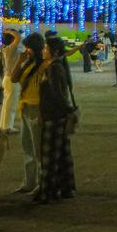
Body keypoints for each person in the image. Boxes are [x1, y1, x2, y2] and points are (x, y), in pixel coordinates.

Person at [35, 35, 78, 203]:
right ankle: (66, 187)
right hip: (59, 115)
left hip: (53, 116)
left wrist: (64, 109)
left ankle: (48, 190)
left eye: (46, 48)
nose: (43, 51)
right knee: (62, 154)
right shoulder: (58, 66)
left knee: (49, 155)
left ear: (55, 51)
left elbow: (57, 93)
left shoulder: (53, 68)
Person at [11, 32, 47, 194]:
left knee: (39, 148)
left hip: (37, 108)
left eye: (29, 47)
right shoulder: (28, 63)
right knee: (27, 147)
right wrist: (19, 61)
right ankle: (29, 182)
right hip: (25, 107)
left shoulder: (45, 65)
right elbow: (13, 78)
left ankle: (42, 182)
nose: (27, 50)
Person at [0, 29, 23, 132]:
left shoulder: (5, 49)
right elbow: (18, 37)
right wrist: (10, 31)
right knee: (10, 105)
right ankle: (8, 127)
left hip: (7, 78)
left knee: (6, 104)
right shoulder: (10, 49)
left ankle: (4, 125)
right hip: (12, 79)